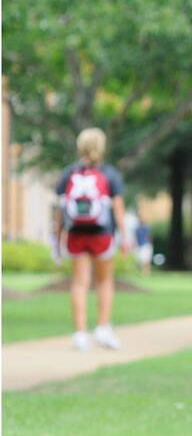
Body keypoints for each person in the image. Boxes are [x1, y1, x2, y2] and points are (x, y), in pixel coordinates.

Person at [56, 127, 129, 351]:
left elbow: (59, 209)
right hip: (102, 235)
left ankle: (80, 333)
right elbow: (117, 209)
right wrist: (125, 237)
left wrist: (57, 236)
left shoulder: (69, 173)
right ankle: (102, 327)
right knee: (104, 281)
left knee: (79, 283)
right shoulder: (109, 173)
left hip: (76, 234)